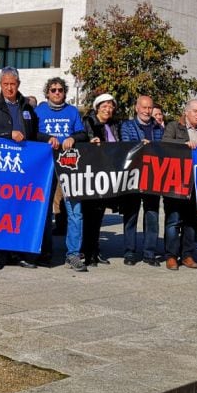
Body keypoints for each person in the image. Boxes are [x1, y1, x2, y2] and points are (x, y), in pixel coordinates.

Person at [0, 66, 41, 270]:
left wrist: (50, 140)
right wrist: (8, 133)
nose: (9, 88)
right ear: (0, 85)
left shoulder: (28, 108)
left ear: (19, 85)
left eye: (12, 84)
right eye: (5, 84)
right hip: (0, 168)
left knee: (20, 211)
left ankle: (19, 252)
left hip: (24, 169)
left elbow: (34, 135)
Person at [37, 77, 89, 272]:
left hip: (69, 165)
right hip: (45, 164)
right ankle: (44, 251)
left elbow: (83, 134)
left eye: (60, 90)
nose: (57, 93)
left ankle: (73, 254)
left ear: (65, 92)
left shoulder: (72, 111)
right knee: (43, 208)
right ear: (47, 93)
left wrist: (72, 138)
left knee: (75, 211)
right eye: (53, 90)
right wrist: (47, 138)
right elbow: (32, 133)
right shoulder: (39, 111)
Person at [161, 99, 197, 271]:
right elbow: (165, 143)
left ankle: (187, 254)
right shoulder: (174, 126)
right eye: (195, 111)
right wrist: (183, 145)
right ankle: (171, 256)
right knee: (173, 220)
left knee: (191, 221)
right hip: (176, 181)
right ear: (186, 112)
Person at [120, 94, 164, 266]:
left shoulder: (158, 128)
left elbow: (163, 149)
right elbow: (125, 146)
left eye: (149, 108)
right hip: (133, 176)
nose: (147, 111)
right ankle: (130, 252)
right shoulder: (127, 126)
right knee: (131, 215)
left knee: (152, 215)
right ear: (137, 108)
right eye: (144, 107)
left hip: (153, 177)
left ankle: (149, 253)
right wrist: (141, 146)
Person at [82, 93, 120, 266]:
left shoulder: (114, 125)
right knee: (89, 213)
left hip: (107, 174)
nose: (108, 109)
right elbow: (82, 140)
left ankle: (95, 249)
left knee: (99, 215)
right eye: (104, 106)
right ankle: (87, 251)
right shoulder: (89, 122)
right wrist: (91, 141)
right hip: (91, 173)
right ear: (97, 107)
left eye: (111, 106)